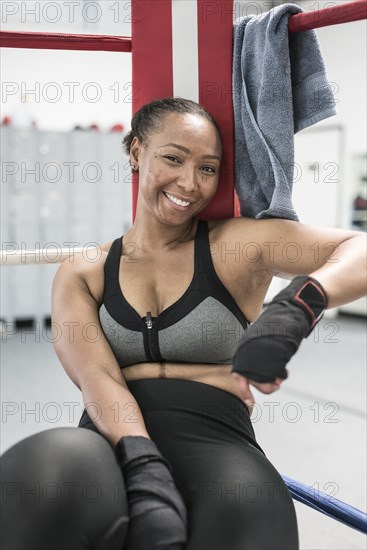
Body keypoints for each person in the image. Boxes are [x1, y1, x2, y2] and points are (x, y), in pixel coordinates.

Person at [1, 97, 366, 550]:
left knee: (247, 511)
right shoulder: (85, 271)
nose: (190, 184)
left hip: (217, 439)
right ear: (137, 152)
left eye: (208, 168)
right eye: (173, 158)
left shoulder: (234, 247)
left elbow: (358, 249)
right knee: (44, 476)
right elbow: (96, 376)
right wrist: (142, 462)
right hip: (110, 435)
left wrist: (293, 310)